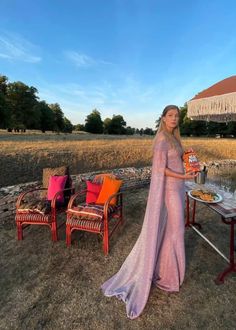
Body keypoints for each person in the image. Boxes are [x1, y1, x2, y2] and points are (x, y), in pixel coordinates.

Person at [101, 105, 197, 319]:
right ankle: (169, 276)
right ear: (163, 118)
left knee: (171, 231)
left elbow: (177, 162)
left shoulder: (174, 138)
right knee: (177, 232)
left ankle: (167, 271)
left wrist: (191, 167)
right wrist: (183, 177)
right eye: (170, 115)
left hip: (178, 188)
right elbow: (159, 169)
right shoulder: (162, 139)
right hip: (171, 190)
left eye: (177, 116)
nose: (174, 118)